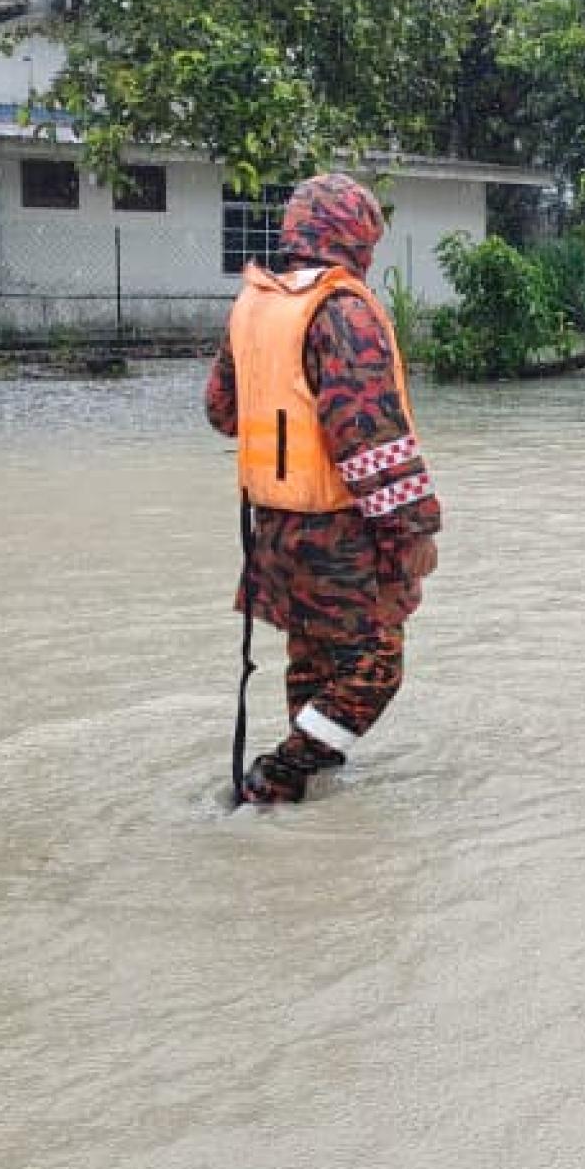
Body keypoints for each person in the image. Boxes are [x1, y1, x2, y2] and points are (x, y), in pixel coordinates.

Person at [205, 171, 441, 806]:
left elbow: (222, 412)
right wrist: (413, 534)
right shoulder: (343, 312)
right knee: (375, 665)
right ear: (357, 238)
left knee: (312, 664)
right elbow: (370, 441)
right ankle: (280, 774)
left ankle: (306, 795)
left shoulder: (255, 306)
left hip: (273, 532)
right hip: (336, 533)